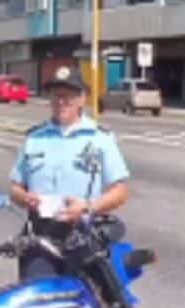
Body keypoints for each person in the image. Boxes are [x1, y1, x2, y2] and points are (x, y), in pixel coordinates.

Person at [9, 65, 130, 280]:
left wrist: (89, 207)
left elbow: (120, 191)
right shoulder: (35, 138)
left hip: (84, 237)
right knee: (39, 304)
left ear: (82, 99)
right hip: (41, 237)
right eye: (56, 95)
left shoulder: (100, 139)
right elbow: (15, 188)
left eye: (68, 96)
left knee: (87, 306)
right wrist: (25, 198)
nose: (61, 101)